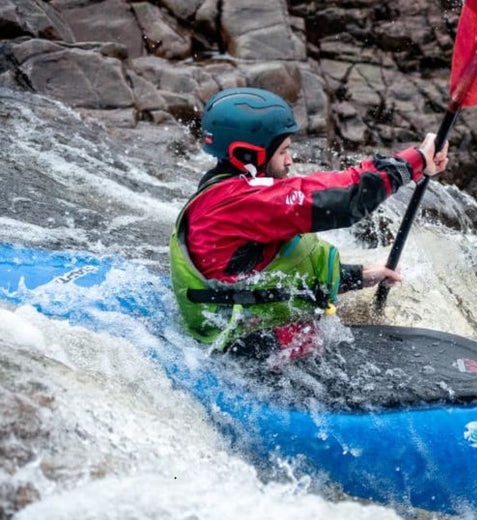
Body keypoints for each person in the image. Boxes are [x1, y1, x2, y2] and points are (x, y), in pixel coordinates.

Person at [170, 87, 449, 362]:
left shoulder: (230, 191)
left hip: (254, 339)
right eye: (283, 151)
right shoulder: (240, 203)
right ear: (247, 154)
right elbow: (345, 200)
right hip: (250, 356)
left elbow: (271, 275)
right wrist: (413, 163)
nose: (290, 160)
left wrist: (358, 276)